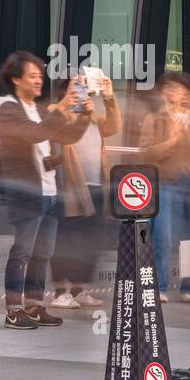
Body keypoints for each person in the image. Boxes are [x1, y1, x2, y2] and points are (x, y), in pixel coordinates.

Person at [0, 51, 91, 330]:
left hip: (50, 191)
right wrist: (61, 107)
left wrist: (84, 113)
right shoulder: (7, 108)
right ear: (15, 79)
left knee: (42, 254)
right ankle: (14, 309)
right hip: (26, 192)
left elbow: (67, 136)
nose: (39, 81)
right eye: (32, 76)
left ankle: (35, 306)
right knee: (22, 252)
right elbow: (34, 134)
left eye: (40, 76)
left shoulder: (38, 109)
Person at [139, 72, 190, 303]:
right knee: (162, 236)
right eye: (174, 89)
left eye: (185, 91)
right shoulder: (155, 119)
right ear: (165, 92)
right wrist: (172, 140)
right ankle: (160, 286)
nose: (180, 94)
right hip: (166, 182)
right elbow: (147, 152)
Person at [50, 70, 120, 310]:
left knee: (90, 239)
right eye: (76, 86)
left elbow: (113, 126)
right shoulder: (56, 112)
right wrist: (66, 102)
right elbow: (51, 120)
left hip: (96, 185)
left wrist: (109, 97)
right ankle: (60, 292)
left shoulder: (93, 118)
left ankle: (79, 289)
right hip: (70, 187)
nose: (82, 90)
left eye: (84, 85)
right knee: (65, 238)